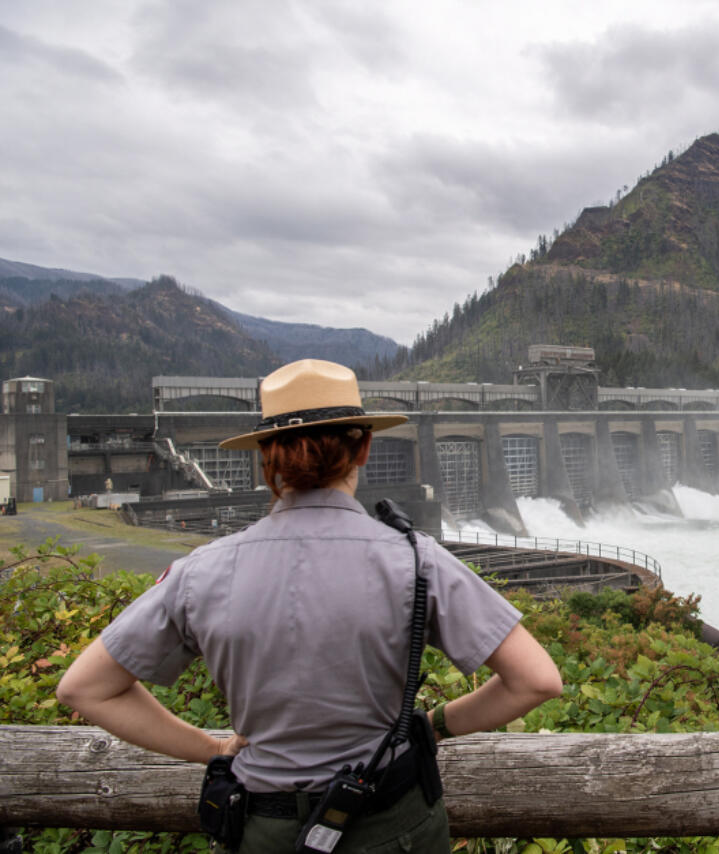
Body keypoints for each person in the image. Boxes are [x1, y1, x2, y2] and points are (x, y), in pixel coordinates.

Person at [58, 359, 563, 852]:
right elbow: (536, 680)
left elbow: (85, 689)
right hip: (394, 825)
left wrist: (211, 749)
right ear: (362, 447)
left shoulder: (201, 571)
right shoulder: (415, 560)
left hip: (262, 829)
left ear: (265, 459)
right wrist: (433, 726)